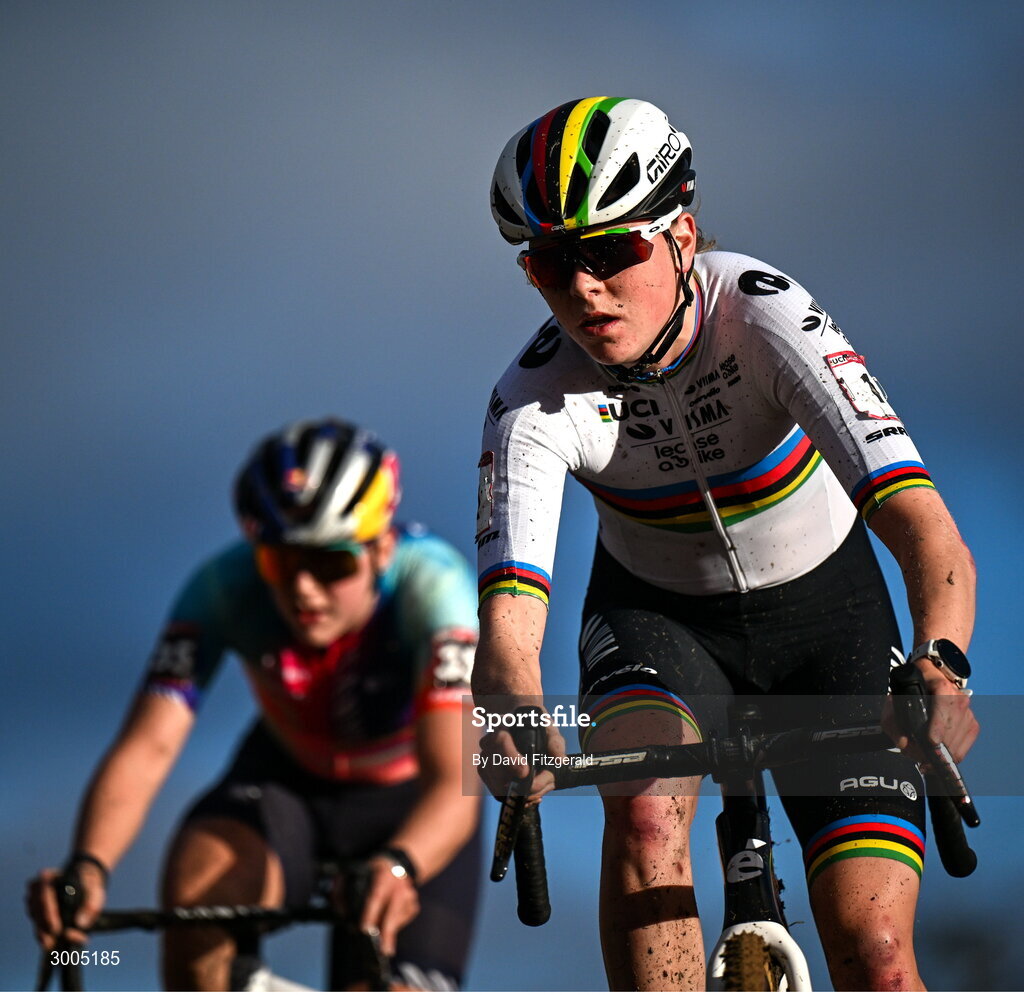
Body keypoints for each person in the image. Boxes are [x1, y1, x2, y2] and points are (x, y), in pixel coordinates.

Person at [472, 96, 978, 991]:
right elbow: (508, 633)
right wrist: (513, 716)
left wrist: (940, 659)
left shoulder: (765, 316)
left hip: (829, 621)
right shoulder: (533, 400)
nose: (584, 288)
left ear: (681, 235)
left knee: (881, 958)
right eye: (551, 262)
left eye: (612, 249)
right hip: (659, 626)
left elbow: (924, 527)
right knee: (643, 818)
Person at [27, 417, 482, 991]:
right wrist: (88, 866)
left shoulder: (436, 588)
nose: (304, 591)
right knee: (199, 908)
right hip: (285, 781)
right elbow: (149, 746)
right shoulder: (223, 587)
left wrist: (399, 865)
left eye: (333, 563)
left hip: (411, 799)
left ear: (382, 548)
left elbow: (455, 781)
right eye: (282, 563)